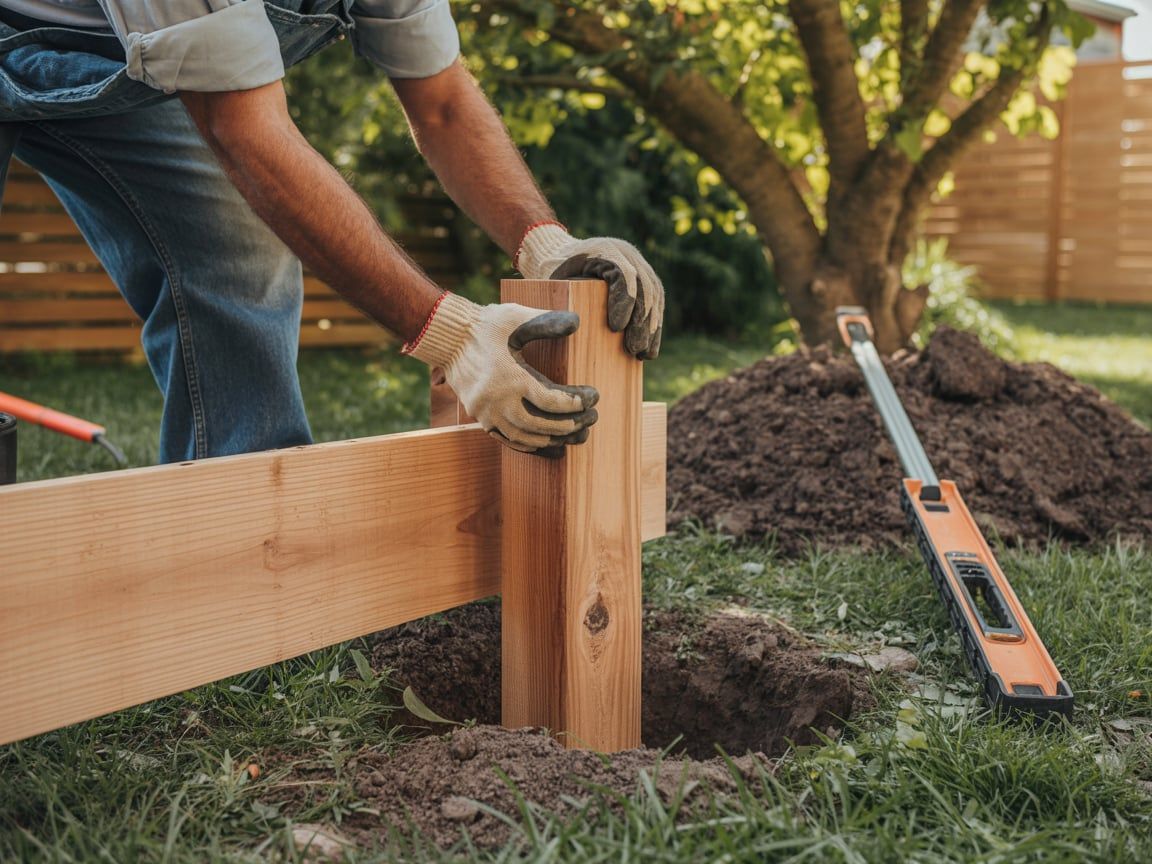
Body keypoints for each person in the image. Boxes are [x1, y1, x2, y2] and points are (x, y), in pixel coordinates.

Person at [0, 0, 665, 461]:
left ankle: (246, 565)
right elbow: (245, 131)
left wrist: (545, 244)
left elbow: (442, 103)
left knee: (239, 255)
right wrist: (453, 337)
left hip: (117, 56)